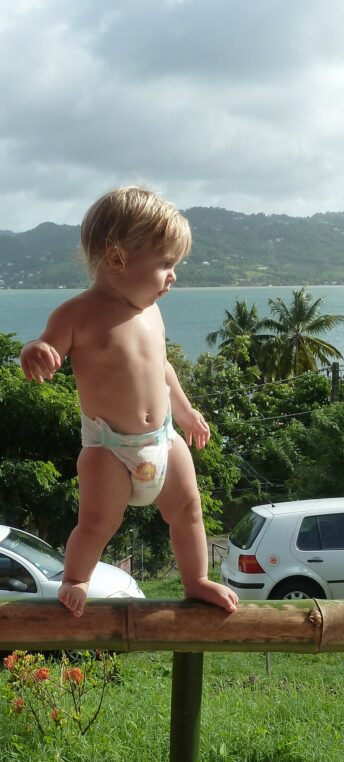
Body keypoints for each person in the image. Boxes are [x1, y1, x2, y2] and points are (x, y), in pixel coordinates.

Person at [19, 186, 239, 617]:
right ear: (118, 259)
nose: (172, 276)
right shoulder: (77, 313)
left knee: (189, 509)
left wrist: (186, 410)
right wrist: (35, 351)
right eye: (164, 264)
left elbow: (162, 370)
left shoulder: (151, 312)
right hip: (108, 447)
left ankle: (195, 580)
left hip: (163, 439)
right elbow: (47, 347)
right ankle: (77, 579)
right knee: (99, 522)